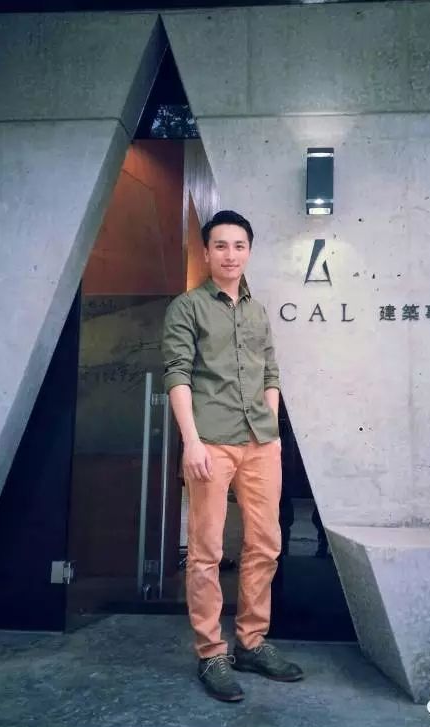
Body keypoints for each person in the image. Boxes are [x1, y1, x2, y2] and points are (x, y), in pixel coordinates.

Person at [162, 210, 304, 702]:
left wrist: (273, 433)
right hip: (211, 441)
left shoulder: (258, 311)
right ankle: (211, 652)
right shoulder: (187, 307)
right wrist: (191, 441)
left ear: (249, 251)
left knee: (265, 545)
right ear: (206, 253)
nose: (230, 254)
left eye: (239, 245)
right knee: (205, 552)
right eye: (220, 245)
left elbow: (270, 373)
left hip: (260, 442)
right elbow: (177, 373)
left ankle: (251, 642)